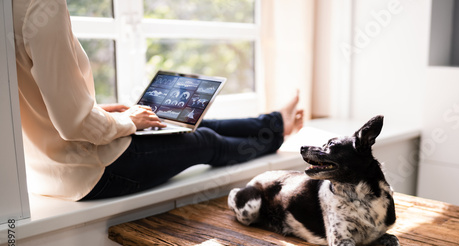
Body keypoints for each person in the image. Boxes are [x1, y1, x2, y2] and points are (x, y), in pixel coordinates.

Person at [13, 0, 304, 201]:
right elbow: (74, 125)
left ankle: (276, 121)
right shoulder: (43, 5)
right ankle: (275, 136)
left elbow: (37, 99)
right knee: (205, 141)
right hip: (89, 172)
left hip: (45, 174)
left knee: (182, 123)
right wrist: (126, 121)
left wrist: (99, 112)